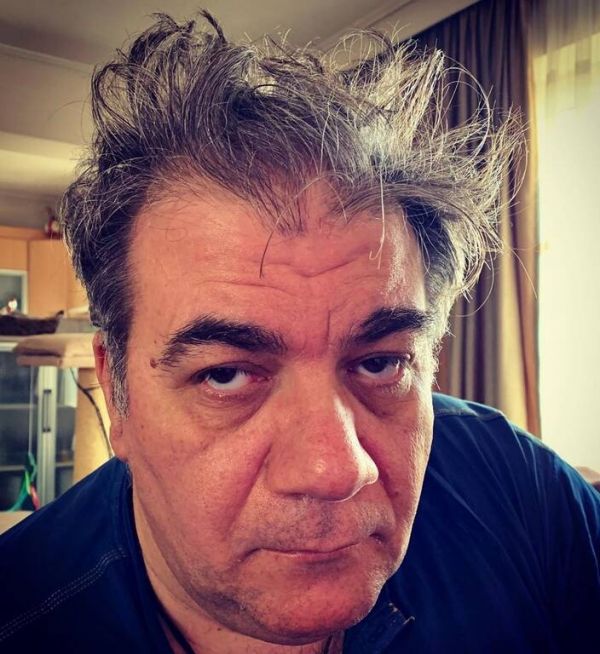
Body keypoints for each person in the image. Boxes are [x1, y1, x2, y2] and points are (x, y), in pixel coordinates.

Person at [0, 11, 598, 654]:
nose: (334, 470)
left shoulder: (520, 490)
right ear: (117, 394)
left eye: (381, 363)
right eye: (226, 374)